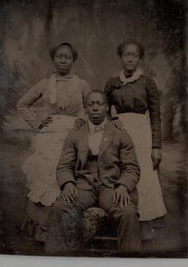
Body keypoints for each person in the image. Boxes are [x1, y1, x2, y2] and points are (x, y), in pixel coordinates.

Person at [45, 90, 141, 254]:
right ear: (85, 109)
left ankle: (130, 260)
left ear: (106, 108)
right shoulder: (75, 134)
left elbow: (131, 167)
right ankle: (57, 260)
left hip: (111, 186)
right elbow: (64, 165)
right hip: (83, 186)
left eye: (99, 104)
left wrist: (123, 187)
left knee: (128, 213)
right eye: (91, 104)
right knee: (59, 208)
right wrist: (68, 183)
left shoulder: (120, 133)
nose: (95, 108)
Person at [17, 42, 90, 241]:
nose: (63, 60)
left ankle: (65, 228)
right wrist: (38, 123)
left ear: (73, 60)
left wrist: (81, 126)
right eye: (59, 56)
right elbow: (22, 104)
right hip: (48, 137)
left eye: (67, 57)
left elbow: (91, 110)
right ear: (53, 59)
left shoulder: (82, 84)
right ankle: (43, 227)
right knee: (45, 171)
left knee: (66, 174)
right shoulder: (44, 84)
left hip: (72, 136)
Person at [104, 41, 167, 237]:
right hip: (119, 133)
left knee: (143, 174)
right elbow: (102, 111)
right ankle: (122, 220)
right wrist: (113, 123)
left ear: (139, 59)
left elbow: (155, 116)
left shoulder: (147, 82)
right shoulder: (112, 83)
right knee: (120, 172)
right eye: (126, 55)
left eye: (134, 55)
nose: (130, 58)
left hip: (142, 135)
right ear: (120, 58)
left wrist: (156, 146)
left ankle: (145, 224)